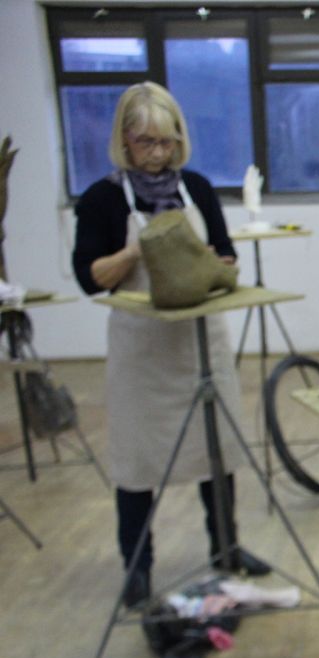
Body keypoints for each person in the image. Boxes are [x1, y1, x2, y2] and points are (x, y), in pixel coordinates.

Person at [72, 82, 268, 609]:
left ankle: (226, 550)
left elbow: (227, 257)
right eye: (145, 143)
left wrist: (207, 261)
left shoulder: (198, 189)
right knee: (137, 463)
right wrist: (138, 250)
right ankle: (137, 568)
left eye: (165, 142)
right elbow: (90, 278)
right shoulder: (103, 199)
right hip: (143, 350)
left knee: (217, 451)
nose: (157, 154)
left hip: (201, 341)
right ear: (124, 142)